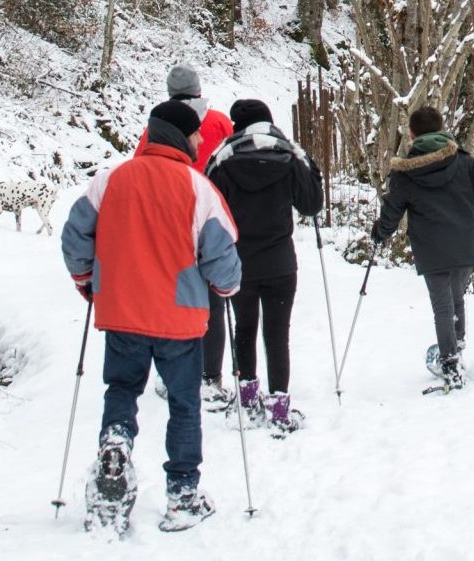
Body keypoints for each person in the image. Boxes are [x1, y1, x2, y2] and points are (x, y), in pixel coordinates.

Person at [61, 100, 241, 534]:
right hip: (179, 317)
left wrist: (87, 280)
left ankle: (116, 444)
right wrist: (226, 288)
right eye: (195, 134)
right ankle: (182, 494)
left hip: (122, 311)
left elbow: (75, 236)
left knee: (122, 389)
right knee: (184, 403)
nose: (199, 140)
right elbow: (222, 256)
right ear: (181, 136)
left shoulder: (109, 180)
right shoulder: (198, 189)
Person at [205, 99, 323, 435]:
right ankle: (280, 409)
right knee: (277, 333)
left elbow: (208, 207)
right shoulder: (289, 155)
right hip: (280, 262)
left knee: (244, 328)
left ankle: (247, 401)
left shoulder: (223, 158)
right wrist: (310, 167)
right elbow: (311, 204)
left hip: (239, 261)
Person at [370, 106, 474, 389]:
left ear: (411, 134)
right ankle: (456, 347)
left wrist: (380, 232)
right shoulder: (463, 162)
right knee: (456, 299)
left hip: (432, 248)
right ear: (441, 129)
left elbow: (392, 211)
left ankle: (450, 362)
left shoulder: (405, 173)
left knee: (442, 306)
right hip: (465, 243)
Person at [135, 63, 234, 407]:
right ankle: (210, 377)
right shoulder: (219, 122)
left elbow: (141, 168)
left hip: (169, 222)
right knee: (214, 301)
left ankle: (174, 373)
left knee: (172, 299)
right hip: (211, 217)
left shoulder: (156, 128)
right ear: (198, 89)